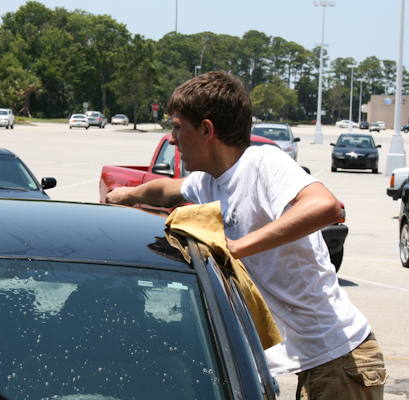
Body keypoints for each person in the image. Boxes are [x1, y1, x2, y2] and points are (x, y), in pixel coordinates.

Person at [106, 71, 387, 399]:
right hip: (306, 363)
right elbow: (168, 191)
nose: (172, 138)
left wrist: (237, 247)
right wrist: (123, 196)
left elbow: (326, 207)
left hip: (339, 358)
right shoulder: (210, 181)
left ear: (207, 130)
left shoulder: (261, 163)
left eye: (178, 126)